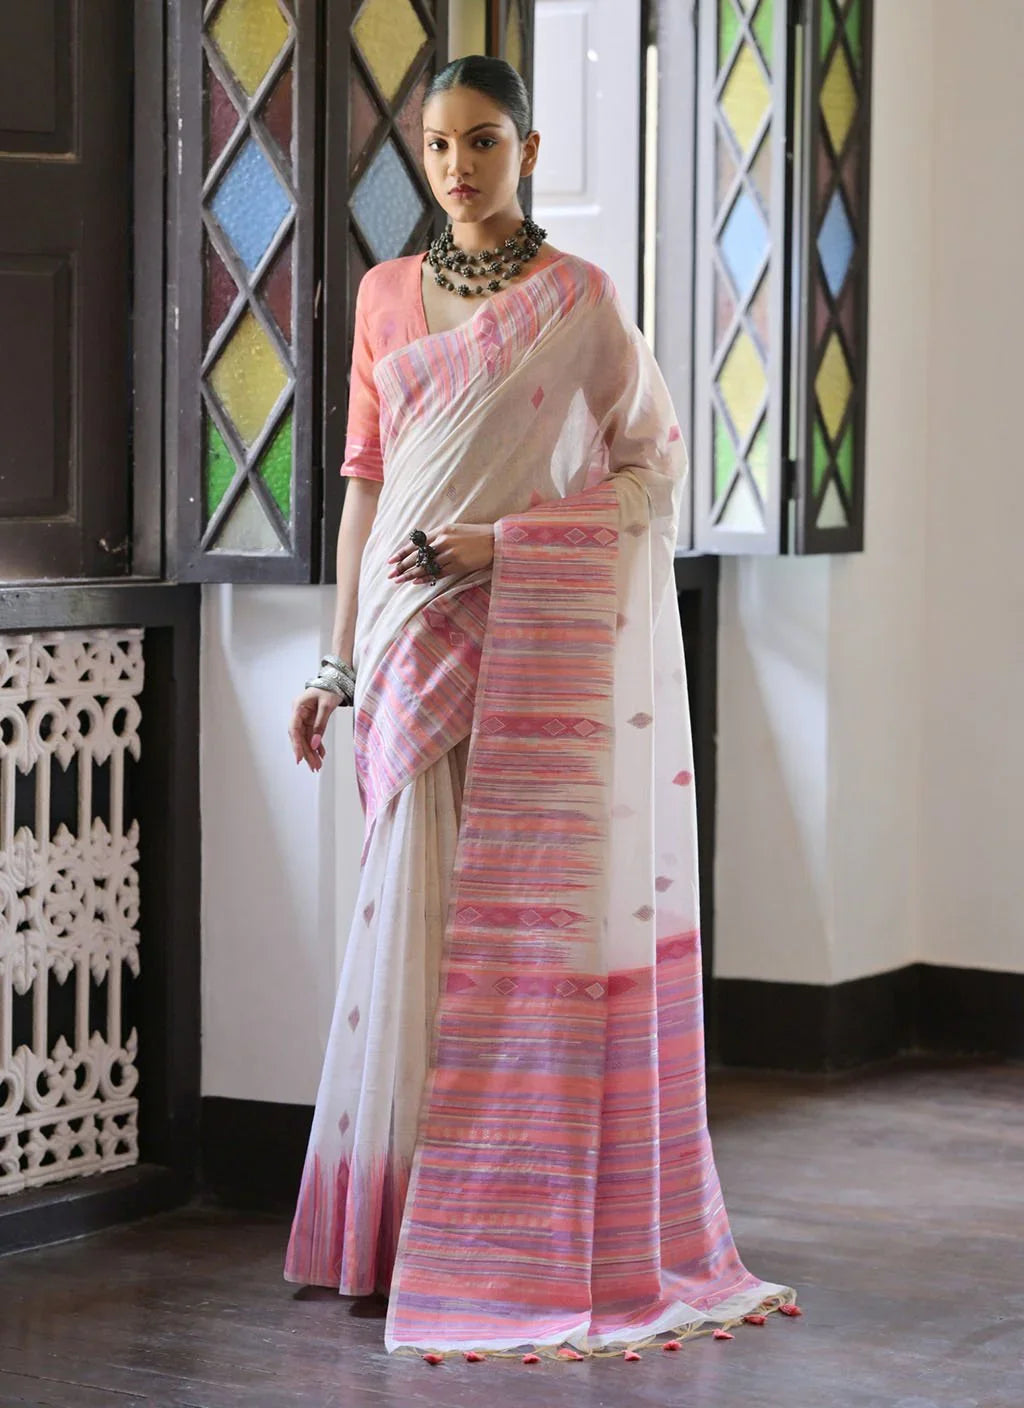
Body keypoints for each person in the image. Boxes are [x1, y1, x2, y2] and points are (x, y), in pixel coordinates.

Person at [284, 54, 796, 1362]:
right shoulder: (386, 296)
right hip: (404, 642)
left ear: (527, 149)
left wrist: (500, 544)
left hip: (522, 646)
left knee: (507, 942)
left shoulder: (579, 303)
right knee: (409, 924)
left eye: (483, 141)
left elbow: (650, 473)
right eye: (437, 144)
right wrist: (334, 666)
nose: (457, 166)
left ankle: (505, 1222)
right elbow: (361, 488)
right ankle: (398, 1229)